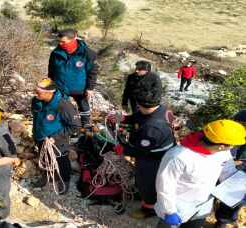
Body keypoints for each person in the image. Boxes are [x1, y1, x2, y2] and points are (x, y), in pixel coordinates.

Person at [154, 119, 246, 228]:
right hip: (177, 206)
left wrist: (242, 188)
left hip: (203, 205)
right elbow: (164, 186)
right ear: (221, 145)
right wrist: (169, 211)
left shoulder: (223, 153)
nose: (234, 147)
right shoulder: (178, 156)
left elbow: (228, 172)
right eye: (233, 145)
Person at [111, 84, 176, 219]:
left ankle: (149, 208)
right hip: (160, 148)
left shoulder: (152, 128)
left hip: (154, 157)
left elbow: (141, 151)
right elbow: (139, 116)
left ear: (142, 105)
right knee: (146, 180)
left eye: (138, 105)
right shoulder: (162, 109)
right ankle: (144, 196)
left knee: (147, 181)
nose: (138, 107)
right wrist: (124, 119)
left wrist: (123, 150)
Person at [32, 78, 81, 194]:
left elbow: (75, 126)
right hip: (41, 137)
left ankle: (64, 181)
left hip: (57, 141)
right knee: (44, 158)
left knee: (62, 161)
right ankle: (47, 177)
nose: (35, 94)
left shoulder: (63, 105)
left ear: (49, 92)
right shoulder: (36, 101)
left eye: (38, 92)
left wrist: (56, 137)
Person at [48, 29, 98, 129]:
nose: (60, 44)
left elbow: (92, 72)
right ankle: (63, 128)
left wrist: (90, 88)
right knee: (61, 108)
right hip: (61, 87)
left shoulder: (87, 53)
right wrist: (50, 85)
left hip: (79, 88)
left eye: (63, 41)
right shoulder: (55, 53)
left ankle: (86, 127)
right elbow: (51, 70)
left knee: (84, 107)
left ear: (74, 39)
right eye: (59, 41)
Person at [214, 110, 246, 228]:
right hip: (221, 169)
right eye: (239, 123)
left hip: (240, 176)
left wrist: (239, 163)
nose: (241, 127)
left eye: (243, 124)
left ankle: (224, 221)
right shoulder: (229, 133)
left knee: (231, 203)